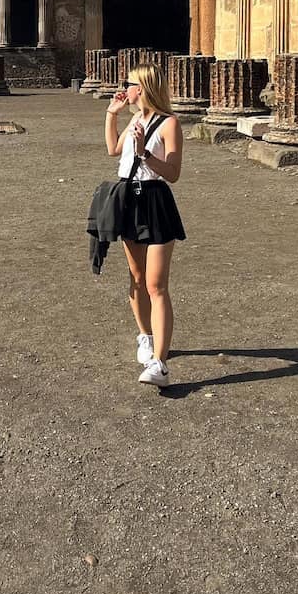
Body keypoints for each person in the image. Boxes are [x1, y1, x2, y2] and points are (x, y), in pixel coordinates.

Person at [104, 63, 186, 388]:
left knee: (156, 284)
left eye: (130, 82)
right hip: (130, 200)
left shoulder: (170, 124)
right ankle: (145, 336)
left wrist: (144, 154)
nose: (125, 86)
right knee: (137, 278)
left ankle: (160, 365)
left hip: (156, 201)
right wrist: (113, 114)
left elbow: (174, 172)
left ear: (144, 88)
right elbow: (112, 150)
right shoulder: (135, 119)